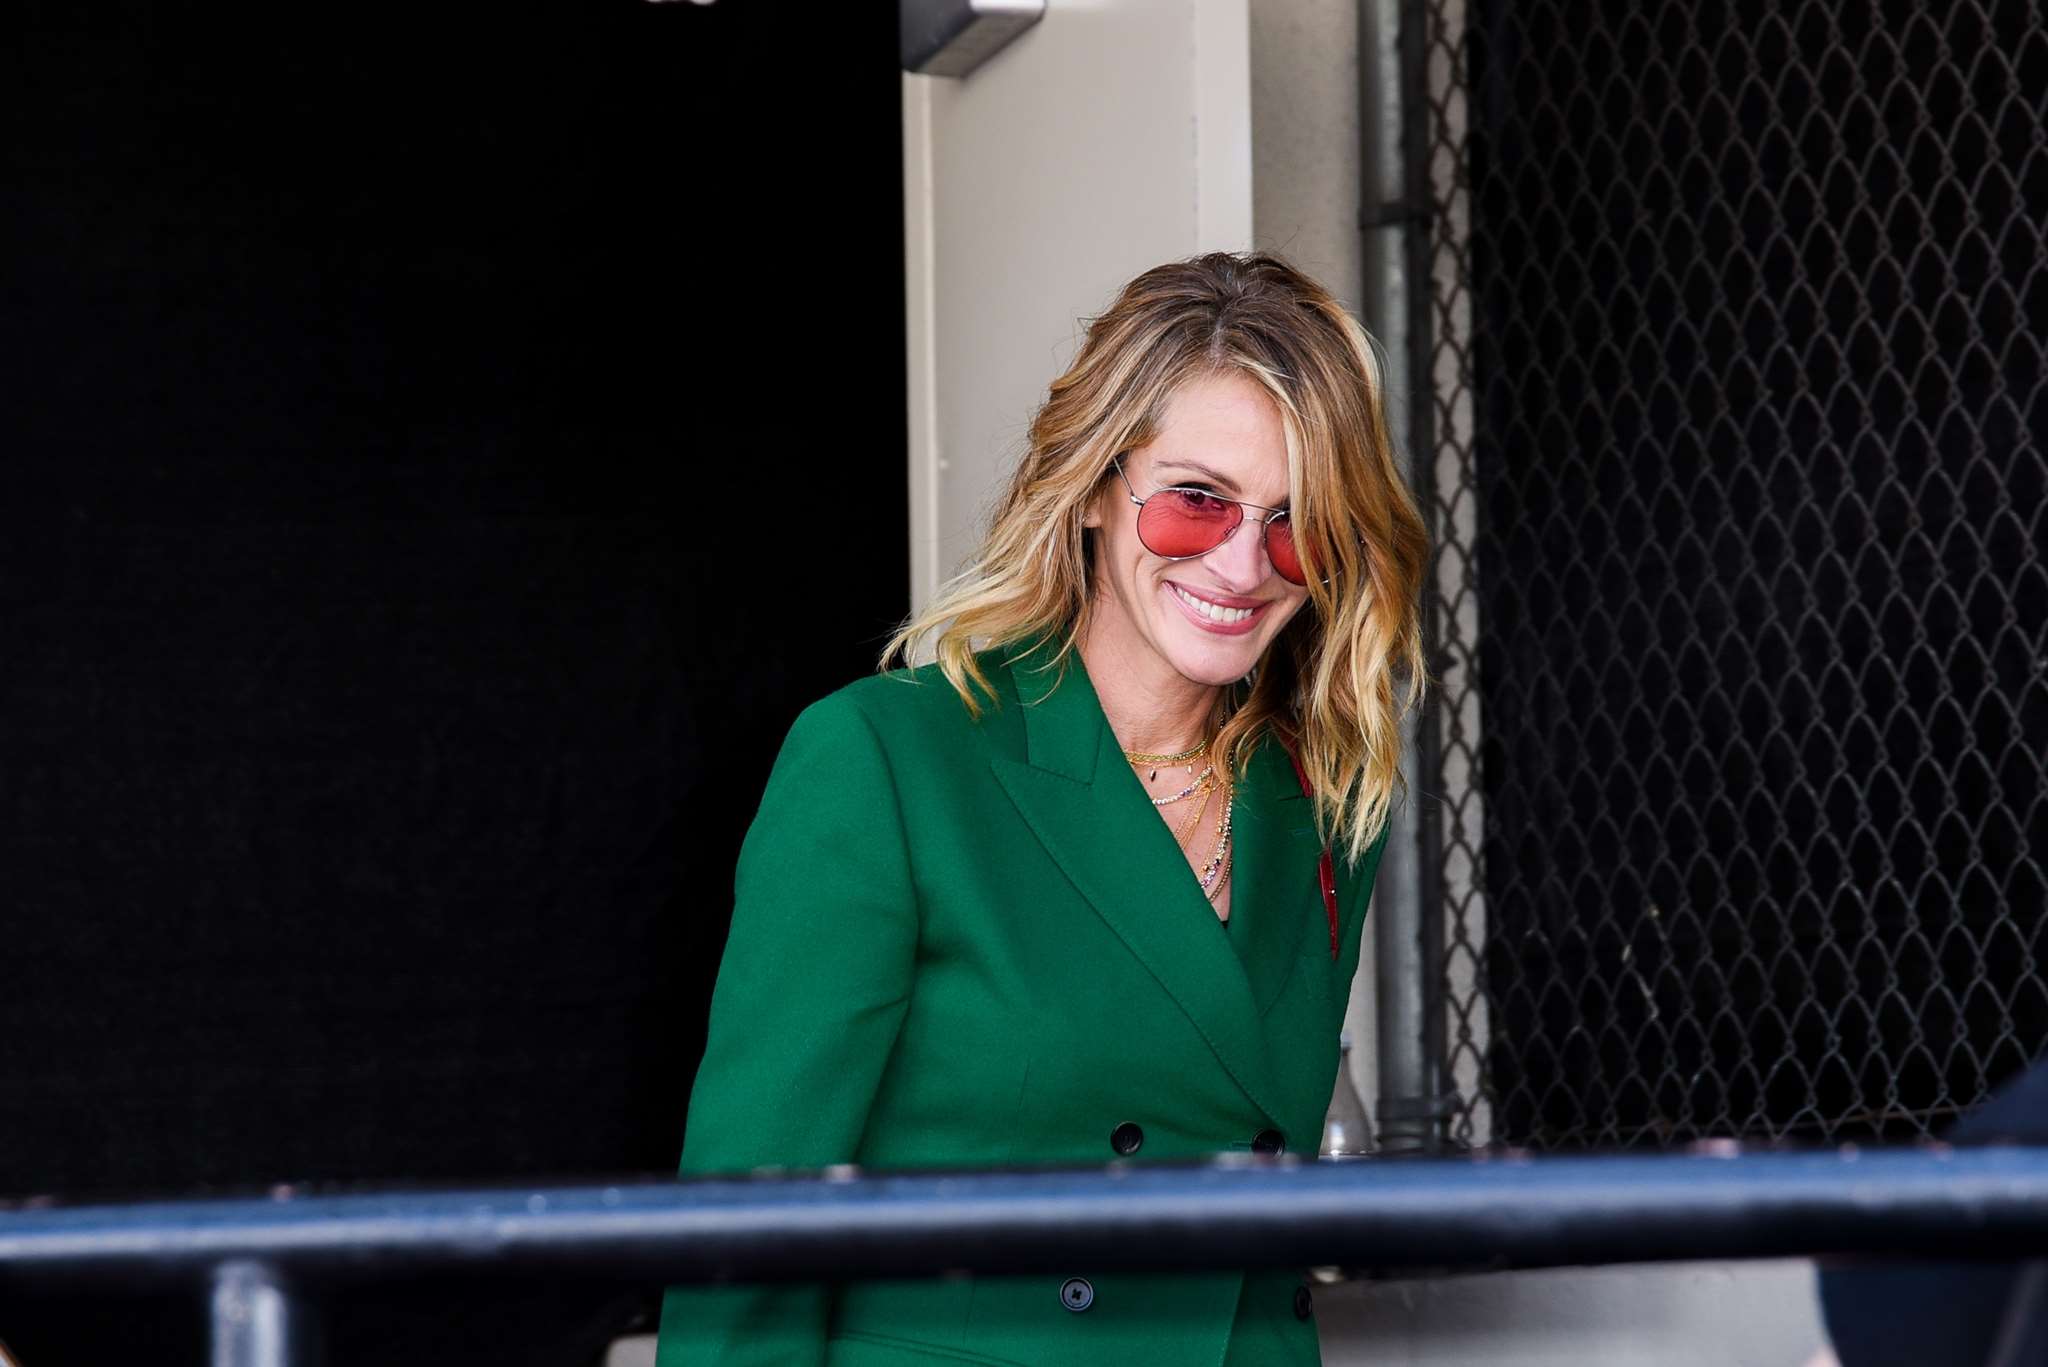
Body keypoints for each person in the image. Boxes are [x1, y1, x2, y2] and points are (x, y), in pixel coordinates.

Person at [656, 252, 1428, 1367]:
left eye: (1295, 522)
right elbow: (748, 1230)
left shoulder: (1326, 802)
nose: (1241, 564)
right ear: (1097, 488)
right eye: (1195, 501)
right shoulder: (889, 758)